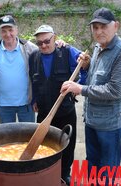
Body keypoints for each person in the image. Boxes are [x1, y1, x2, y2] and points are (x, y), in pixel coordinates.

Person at [60, 7, 121, 185]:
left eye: (103, 26)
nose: (99, 31)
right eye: (95, 27)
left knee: (107, 169)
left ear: (116, 26)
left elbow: (115, 90)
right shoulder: (97, 48)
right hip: (92, 121)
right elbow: (96, 76)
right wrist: (87, 65)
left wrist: (80, 89)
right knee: (92, 166)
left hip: (110, 125)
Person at [28, 24, 88, 185]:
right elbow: (33, 80)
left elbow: (85, 68)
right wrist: (34, 100)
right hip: (44, 112)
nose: (44, 45)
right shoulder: (33, 56)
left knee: (67, 145)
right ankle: (46, 173)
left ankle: (64, 174)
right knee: (44, 145)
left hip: (65, 111)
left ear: (54, 37)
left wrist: (79, 86)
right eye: (40, 43)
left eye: (47, 41)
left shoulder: (67, 51)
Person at [0, 15, 37, 124]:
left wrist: (59, 44)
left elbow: (45, 50)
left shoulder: (28, 47)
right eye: (4, 31)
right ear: (0, 32)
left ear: (16, 30)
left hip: (26, 103)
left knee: (28, 137)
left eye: (10, 30)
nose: (8, 34)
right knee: (8, 138)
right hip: (4, 105)